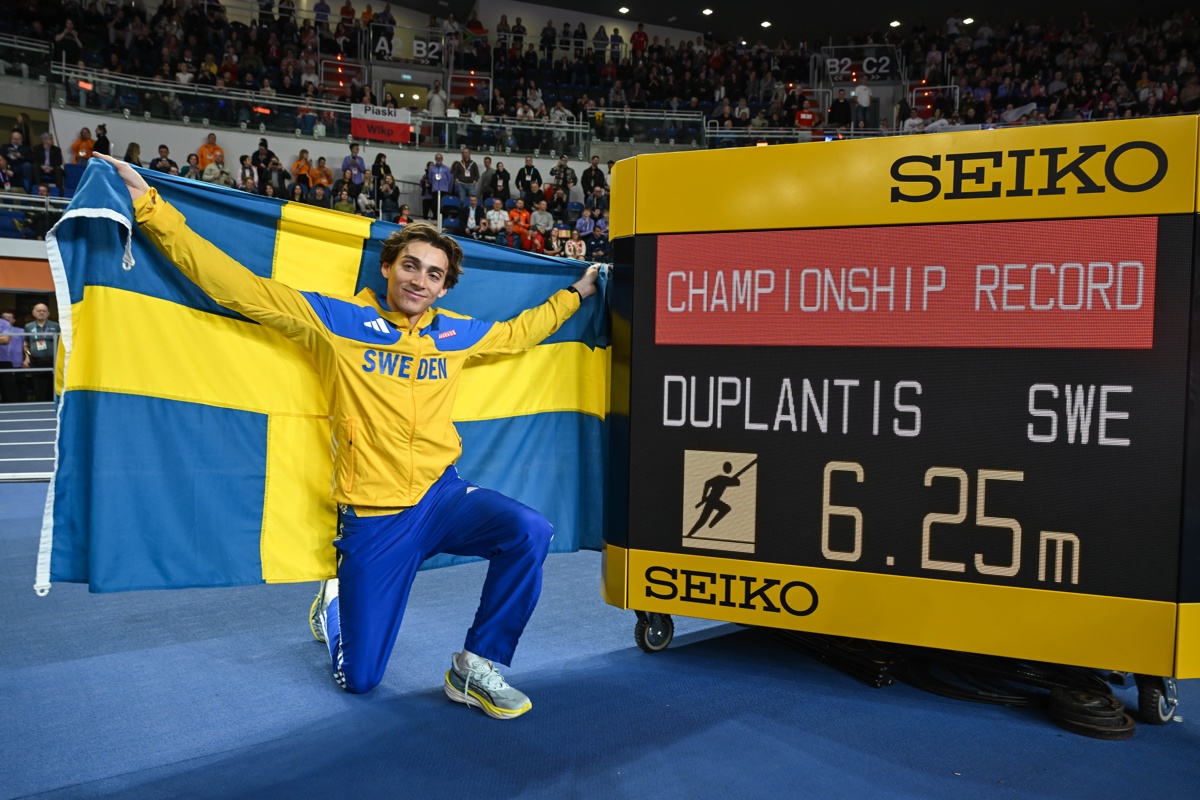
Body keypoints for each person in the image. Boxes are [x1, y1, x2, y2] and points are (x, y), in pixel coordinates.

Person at [97, 153, 599, 717]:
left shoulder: (456, 335)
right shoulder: (336, 324)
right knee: (360, 680)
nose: (420, 280)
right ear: (388, 267)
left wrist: (578, 292)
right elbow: (239, 290)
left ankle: (475, 667)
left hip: (442, 497)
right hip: (375, 517)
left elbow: (516, 334)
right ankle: (334, 603)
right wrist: (151, 208)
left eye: (434, 274)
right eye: (411, 266)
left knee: (530, 530)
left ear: (444, 288)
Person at [23, 303, 60, 401]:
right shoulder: (28, 326)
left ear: (48, 313)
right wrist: (27, 358)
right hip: (36, 360)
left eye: (44, 311)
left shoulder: (56, 326)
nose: (41, 312)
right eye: (39, 310)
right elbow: (26, 342)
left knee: (52, 386)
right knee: (38, 386)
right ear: (33, 313)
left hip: (53, 360)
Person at [0, 310, 24, 402]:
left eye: (9, 317)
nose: (7, 319)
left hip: (5, 360)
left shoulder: (5, 324)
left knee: (9, 387)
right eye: (5, 317)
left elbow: (5, 339)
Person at [450, 148, 478, 214]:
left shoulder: (473, 164)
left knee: (473, 200)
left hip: (471, 185)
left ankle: (473, 214)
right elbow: (455, 173)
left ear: (469, 153)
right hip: (461, 185)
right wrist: (456, 179)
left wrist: (475, 181)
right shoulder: (460, 164)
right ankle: (462, 214)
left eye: (466, 153)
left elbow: (477, 174)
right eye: (463, 153)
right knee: (462, 200)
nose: (465, 154)